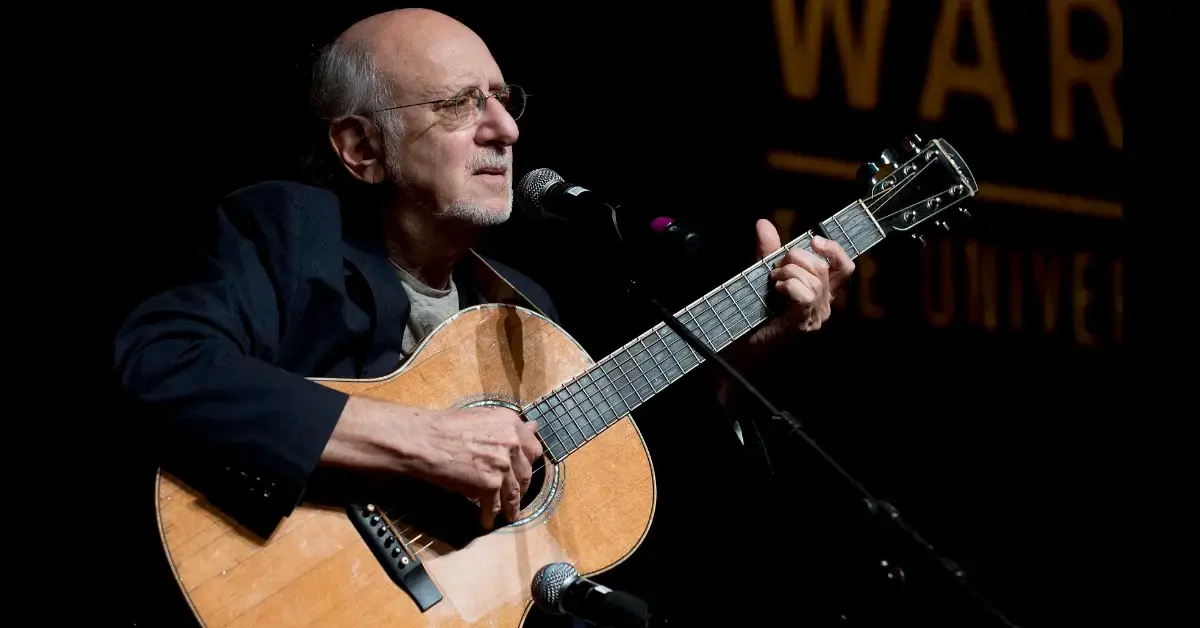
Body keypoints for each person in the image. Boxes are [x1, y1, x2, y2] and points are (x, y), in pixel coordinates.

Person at [112, 8, 855, 543]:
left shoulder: (522, 307)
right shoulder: (288, 228)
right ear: (361, 147)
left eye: (504, 99)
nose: (506, 129)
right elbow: (162, 366)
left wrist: (749, 351)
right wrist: (419, 441)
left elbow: (621, 478)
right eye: (460, 104)